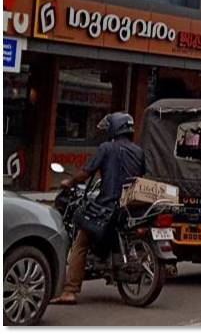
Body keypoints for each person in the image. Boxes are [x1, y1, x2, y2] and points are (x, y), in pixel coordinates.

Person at [50, 112, 145, 305]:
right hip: (128, 208)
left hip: (106, 206)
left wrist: (69, 181)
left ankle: (69, 290)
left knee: (80, 242)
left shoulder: (106, 148)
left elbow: (86, 172)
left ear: (114, 128)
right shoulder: (138, 151)